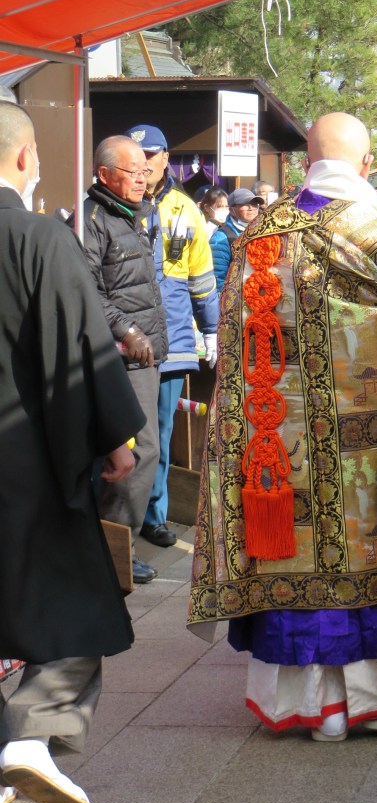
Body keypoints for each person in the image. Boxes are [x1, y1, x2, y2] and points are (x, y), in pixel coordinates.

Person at [189, 113, 377, 740]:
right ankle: (369, 701)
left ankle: (309, 706)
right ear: (366, 160)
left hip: (275, 444)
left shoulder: (260, 232)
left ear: (305, 161)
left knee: (295, 560)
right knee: (362, 561)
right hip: (367, 444)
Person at [0, 102, 145, 803]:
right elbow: (77, 348)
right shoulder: (37, 240)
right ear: (26, 159)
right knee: (77, 610)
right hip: (26, 460)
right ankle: (32, 734)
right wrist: (114, 439)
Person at [125, 125, 219, 550]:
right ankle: (118, 516)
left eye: (151, 154)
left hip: (175, 335)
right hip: (125, 336)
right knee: (123, 431)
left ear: (165, 157)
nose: (143, 161)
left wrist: (213, 328)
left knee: (161, 432)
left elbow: (201, 277)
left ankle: (154, 514)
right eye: (136, 153)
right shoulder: (114, 204)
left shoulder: (185, 208)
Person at [83, 136, 169, 584]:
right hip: (121, 354)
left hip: (148, 352)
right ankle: (115, 549)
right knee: (136, 451)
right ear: (104, 175)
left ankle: (118, 546)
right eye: (132, 170)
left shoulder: (136, 213)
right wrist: (126, 330)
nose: (143, 176)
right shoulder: (92, 218)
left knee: (146, 449)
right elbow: (88, 289)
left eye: (145, 168)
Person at [209, 186, 263, 292]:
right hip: (236, 298)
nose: (251, 208)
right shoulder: (221, 237)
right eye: (245, 204)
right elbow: (217, 277)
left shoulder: (264, 231)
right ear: (232, 210)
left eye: (254, 204)